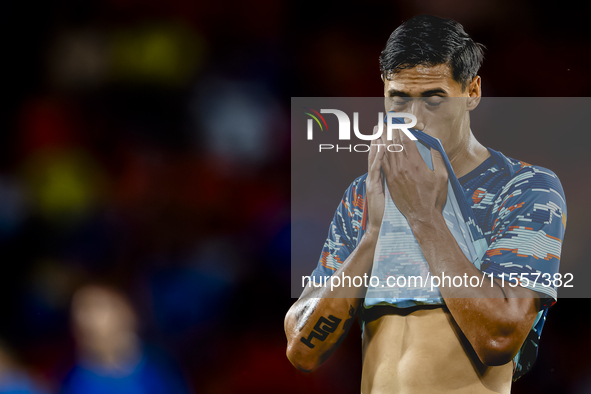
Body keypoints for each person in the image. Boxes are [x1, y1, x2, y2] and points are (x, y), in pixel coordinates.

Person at [284, 15, 567, 394]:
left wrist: (423, 216)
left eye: (434, 98)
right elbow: (302, 350)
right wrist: (371, 238)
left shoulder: (523, 188)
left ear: (472, 92)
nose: (414, 119)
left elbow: (500, 338)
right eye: (399, 98)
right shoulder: (363, 195)